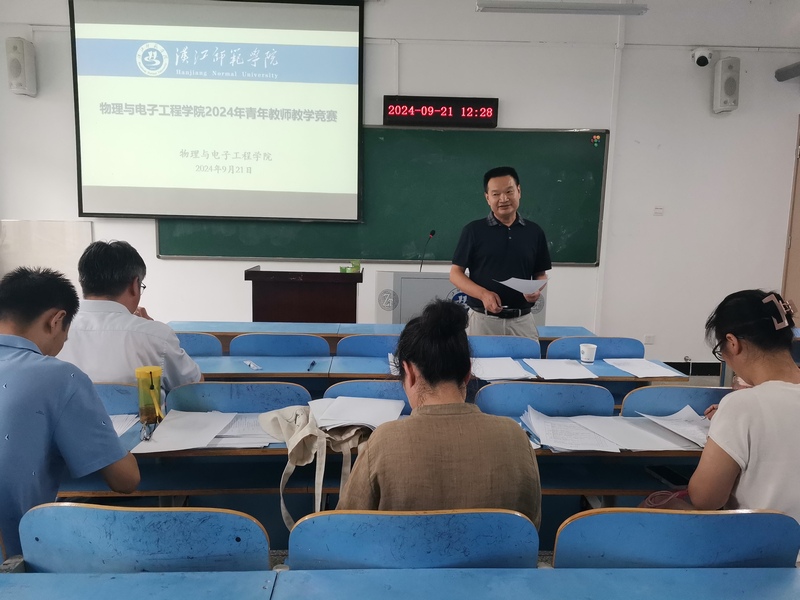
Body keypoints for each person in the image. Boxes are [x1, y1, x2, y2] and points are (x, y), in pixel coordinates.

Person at [337, 299, 542, 527]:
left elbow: (346, 526)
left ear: (409, 372)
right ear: (467, 374)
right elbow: (530, 527)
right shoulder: (515, 438)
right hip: (494, 551)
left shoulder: (383, 442)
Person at [0, 267, 140, 558]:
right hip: (14, 561)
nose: (63, 343)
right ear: (56, 320)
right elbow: (125, 480)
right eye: (66, 333)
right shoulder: (59, 376)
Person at [687, 289, 800, 523]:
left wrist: (730, 419)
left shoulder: (741, 407)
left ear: (732, 343)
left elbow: (705, 499)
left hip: (765, 544)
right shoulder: (744, 406)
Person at [58, 240, 202, 391]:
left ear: (83, 281)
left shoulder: (55, 330)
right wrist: (151, 328)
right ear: (134, 285)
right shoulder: (157, 335)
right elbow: (194, 386)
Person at [450, 166, 552, 339]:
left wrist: (537, 289)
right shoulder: (473, 231)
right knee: (480, 359)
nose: (503, 199)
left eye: (509, 191)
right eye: (496, 194)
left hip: (522, 322)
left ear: (519, 191)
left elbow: (540, 274)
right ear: (487, 198)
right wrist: (483, 294)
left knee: (528, 358)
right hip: (483, 321)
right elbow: (455, 274)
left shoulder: (534, 232)